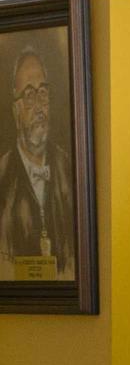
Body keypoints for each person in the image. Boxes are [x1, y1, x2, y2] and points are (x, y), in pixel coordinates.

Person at [0, 44, 77, 274]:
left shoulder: (70, 168)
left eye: (42, 92)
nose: (39, 106)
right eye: (29, 94)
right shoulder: (2, 176)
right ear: (16, 110)